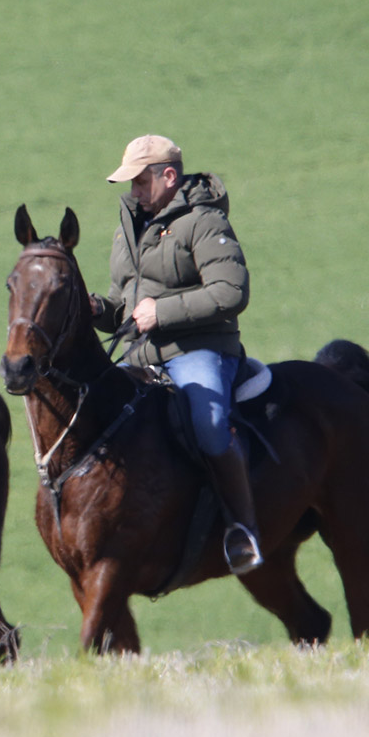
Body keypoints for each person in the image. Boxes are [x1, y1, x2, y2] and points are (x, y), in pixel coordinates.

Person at [89, 134, 263, 575]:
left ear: (169, 176)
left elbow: (231, 292)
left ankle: (242, 528)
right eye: (130, 183)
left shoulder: (204, 221)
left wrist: (161, 312)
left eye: (139, 181)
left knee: (209, 426)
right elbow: (124, 306)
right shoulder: (129, 226)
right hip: (140, 356)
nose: (133, 192)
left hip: (199, 350)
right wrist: (94, 309)